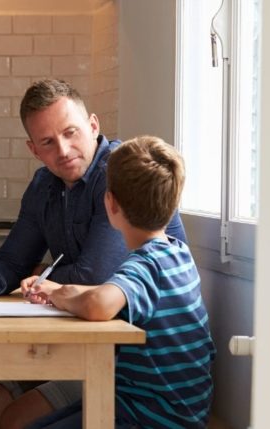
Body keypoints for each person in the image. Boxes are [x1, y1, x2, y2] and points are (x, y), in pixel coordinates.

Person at [0, 79, 188, 427]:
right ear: (33, 149)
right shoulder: (43, 185)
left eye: (71, 133)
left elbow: (92, 278)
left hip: (126, 367)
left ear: (94, 125)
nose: (64, 150)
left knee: (12, 421)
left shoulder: (122, 178)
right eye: (48, 142)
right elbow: (10, 263)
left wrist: (42, 276)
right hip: (75, 349)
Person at [15, 135, 216, 428]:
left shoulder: (145, 264)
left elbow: (99, 304)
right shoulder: (176, 252)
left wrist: (60, 297)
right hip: (170, 408)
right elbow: (110, 293)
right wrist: (59, 290)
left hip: (150, 417)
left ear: (110, 203)